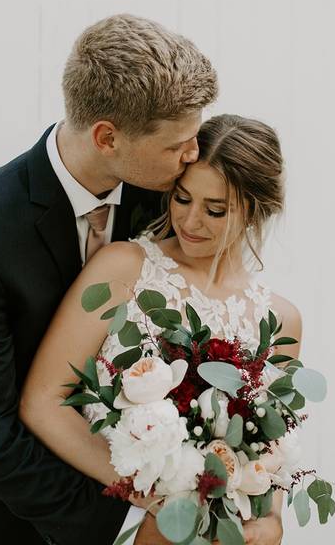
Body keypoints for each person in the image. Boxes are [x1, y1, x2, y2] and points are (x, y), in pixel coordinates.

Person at [0, 14, 218, 545]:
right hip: (4, 521)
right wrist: (122, 520)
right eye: (178, 143)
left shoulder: (170, 198)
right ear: (107, 137)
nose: (193, 155)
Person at [20, 114, 301, 545]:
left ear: (257, 210)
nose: (190, 222)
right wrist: (152, 495)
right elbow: (43, 401)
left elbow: (272, 446)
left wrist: (271, 521)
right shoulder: (122, 268)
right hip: (120, 526)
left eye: (215, 210)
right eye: (182, 198)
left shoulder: (280, 320)